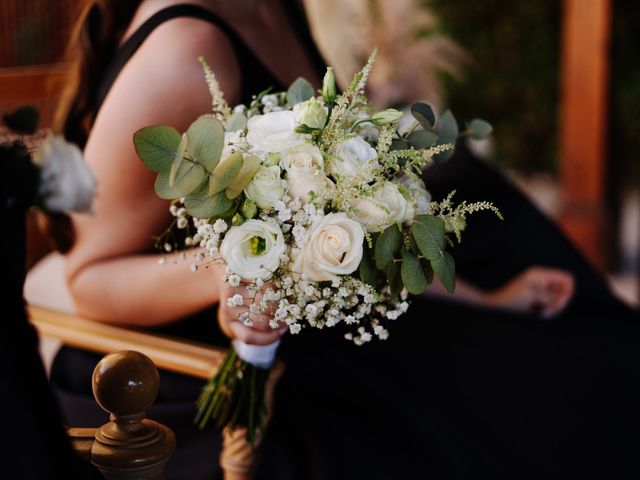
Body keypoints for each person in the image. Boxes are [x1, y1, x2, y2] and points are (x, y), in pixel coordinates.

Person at [48, 0, 638, 478]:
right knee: (549, 397)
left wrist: (486, 298)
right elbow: (90, 279)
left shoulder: (274, 7)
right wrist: (249, 264)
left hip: (314, 315)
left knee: (579, 332)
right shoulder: (180, 53)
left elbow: (339, 223)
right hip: (203, 362)